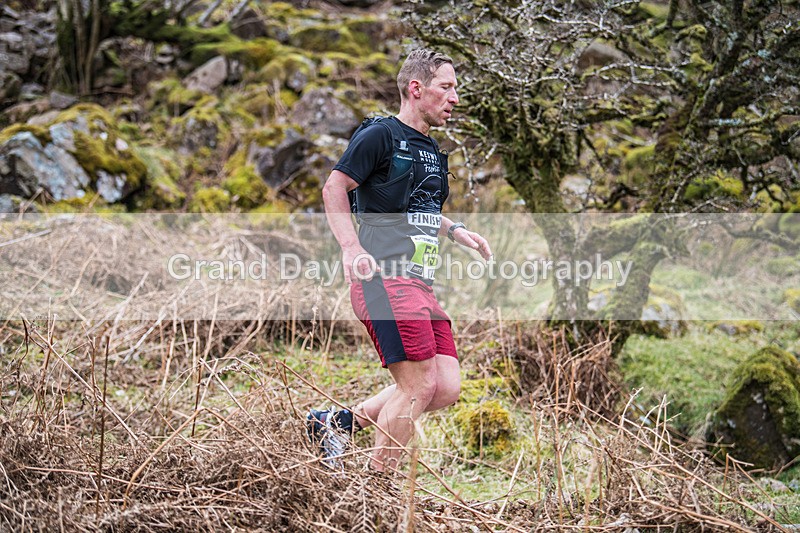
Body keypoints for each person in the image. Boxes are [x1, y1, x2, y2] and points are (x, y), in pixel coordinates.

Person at [307, 49, 492, 472]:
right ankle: (376, 494)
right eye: (447, 87)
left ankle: (333, 422)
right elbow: (334, 188)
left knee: (444, 387)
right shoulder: (380, 135)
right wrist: (351, 248)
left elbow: (417, 205)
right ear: (416, 88)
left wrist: (455, 231)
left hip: (419, 283)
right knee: (417, 386)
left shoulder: (429, 147)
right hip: (384, 278)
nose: (455, 98)